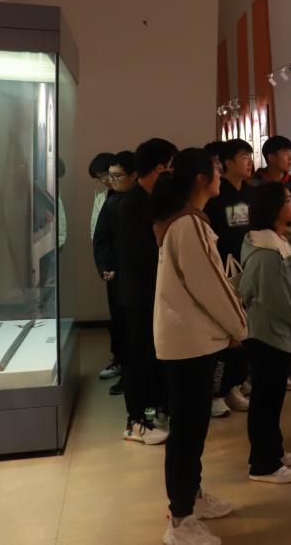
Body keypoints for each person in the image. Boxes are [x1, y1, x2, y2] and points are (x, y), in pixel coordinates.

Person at [151, 147, 249, 545]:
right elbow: (210, 284)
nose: (221, 175)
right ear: (200, 178)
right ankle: (180, 519)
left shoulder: (183, 221)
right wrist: (239, 326)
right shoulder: (188, 224)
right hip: (188, 343)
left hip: (190, 339)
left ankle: (191, 496)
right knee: (187, 432)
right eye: (215, 170)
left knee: (192, 428)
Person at [239, 182, 291, 484]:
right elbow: (277, 296)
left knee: (273, 396)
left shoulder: (276, 241)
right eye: (287, 199)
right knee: (266, 399)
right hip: (266, 332)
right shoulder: (266, 251)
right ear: (272, 208)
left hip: (276, 330)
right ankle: (263, 464)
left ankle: (274, 450)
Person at [116, 138, 177, 445]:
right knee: (140, 358)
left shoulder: (157, 199)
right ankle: (136, 421)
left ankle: (154, 413)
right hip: (141, 296)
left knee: (156, 357)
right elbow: (145, 255)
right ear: (160, 168)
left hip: (158, 293)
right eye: (170, 167)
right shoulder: (130, 204)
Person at [203, 138, 255, 417]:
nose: (249, 162)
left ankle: (234, 385)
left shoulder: (251, 193)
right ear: (227, 163)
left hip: (248, 268)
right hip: (223, 270)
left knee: (245, 330)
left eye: (249, 156)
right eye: (243, 157)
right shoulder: (216, 195)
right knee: (225, 332)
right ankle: (215, 392)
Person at [93, 151, 137, 394]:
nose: (108, 181)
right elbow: (101, 238)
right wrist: (106, 267)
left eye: (114, 176)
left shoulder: (144, 198)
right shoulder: (111, 200)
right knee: (122, 325)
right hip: (120, 275)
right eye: (106, 176)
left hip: (143, 277)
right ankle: (126, 372)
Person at [252, 135, 291, 202]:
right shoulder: (254, 183)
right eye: (285, 153)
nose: (290, 158)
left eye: (290, 153)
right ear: (271, 157)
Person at [89, 152, 115, 241]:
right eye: (99, 177)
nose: (104, 180)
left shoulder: (131, 193)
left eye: (105, 174)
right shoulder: (101, 198)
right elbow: (94, 229)